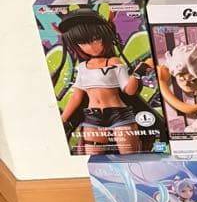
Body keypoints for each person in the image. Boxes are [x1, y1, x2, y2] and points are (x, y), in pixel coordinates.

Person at [54, 10, 156, 155]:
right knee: (94, 157)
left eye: (96, 39)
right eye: (83, 42)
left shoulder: (113, 62)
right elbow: (77, 96)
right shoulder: (83, 67)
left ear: (105, 37)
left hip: (118, 114)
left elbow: (129, 90)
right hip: (93, 117)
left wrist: (138, 73)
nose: (91, 46)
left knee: (130, 156)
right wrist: (63, 119)